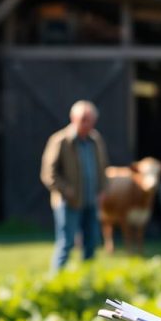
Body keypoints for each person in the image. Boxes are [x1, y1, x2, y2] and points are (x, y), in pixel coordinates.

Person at [41, 100, 108, 271]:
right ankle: (57, 283)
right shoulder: (61, 140)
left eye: (90, 120)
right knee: (66, 244)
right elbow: (49, 174)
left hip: (90, 201)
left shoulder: (95, 140)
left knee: (91, 243)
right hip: (68, 203)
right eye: (83, 119)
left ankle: (88, 284)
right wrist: (67, 191)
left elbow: (102, 167)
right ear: (73, 118)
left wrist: (102, 189)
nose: (87, 124)